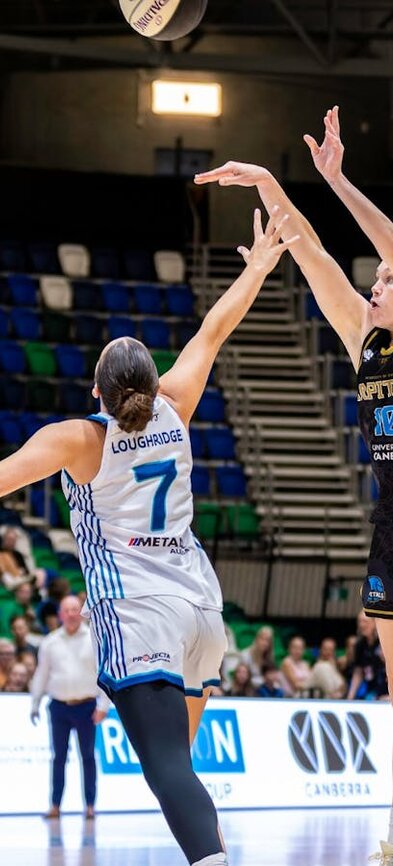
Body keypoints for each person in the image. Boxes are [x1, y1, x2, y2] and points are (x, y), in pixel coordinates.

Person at [0, 209, 297, 866]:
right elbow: (214, 329)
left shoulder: (80, 439)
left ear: (97, 391)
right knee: (180, 771)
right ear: (150, 386)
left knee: (167, 773)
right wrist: (256, 266)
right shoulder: (177, 405)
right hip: (202, 609)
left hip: (144, 616)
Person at [194, 105, 393, 863]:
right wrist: (272, 185)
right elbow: (309, 253)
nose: (376, 283)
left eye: (385, 280)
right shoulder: (367, 344)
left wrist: (340, 181)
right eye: (375, 279)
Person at [30, 594, 110, 819]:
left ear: (81, 611)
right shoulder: (50, 642)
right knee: (59, 757)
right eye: (67, 610)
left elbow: (103, 673)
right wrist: (35, 702)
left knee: (87, 756)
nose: (72, 614)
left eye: (75, 609)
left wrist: (104, 704)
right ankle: (55, 805)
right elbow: (42, 673)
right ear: (60, 614)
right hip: (59, 707)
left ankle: (90, 806)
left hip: (86, 706)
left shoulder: (94, 639)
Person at [347, 611, 388, 701]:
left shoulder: (384, 641)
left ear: (374, 623)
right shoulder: (360, 645)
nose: (361, 625)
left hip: (389, 692)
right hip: (373, 692)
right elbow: (358, 671)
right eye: (359, 622)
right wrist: (350, 697)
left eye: (365, 621)